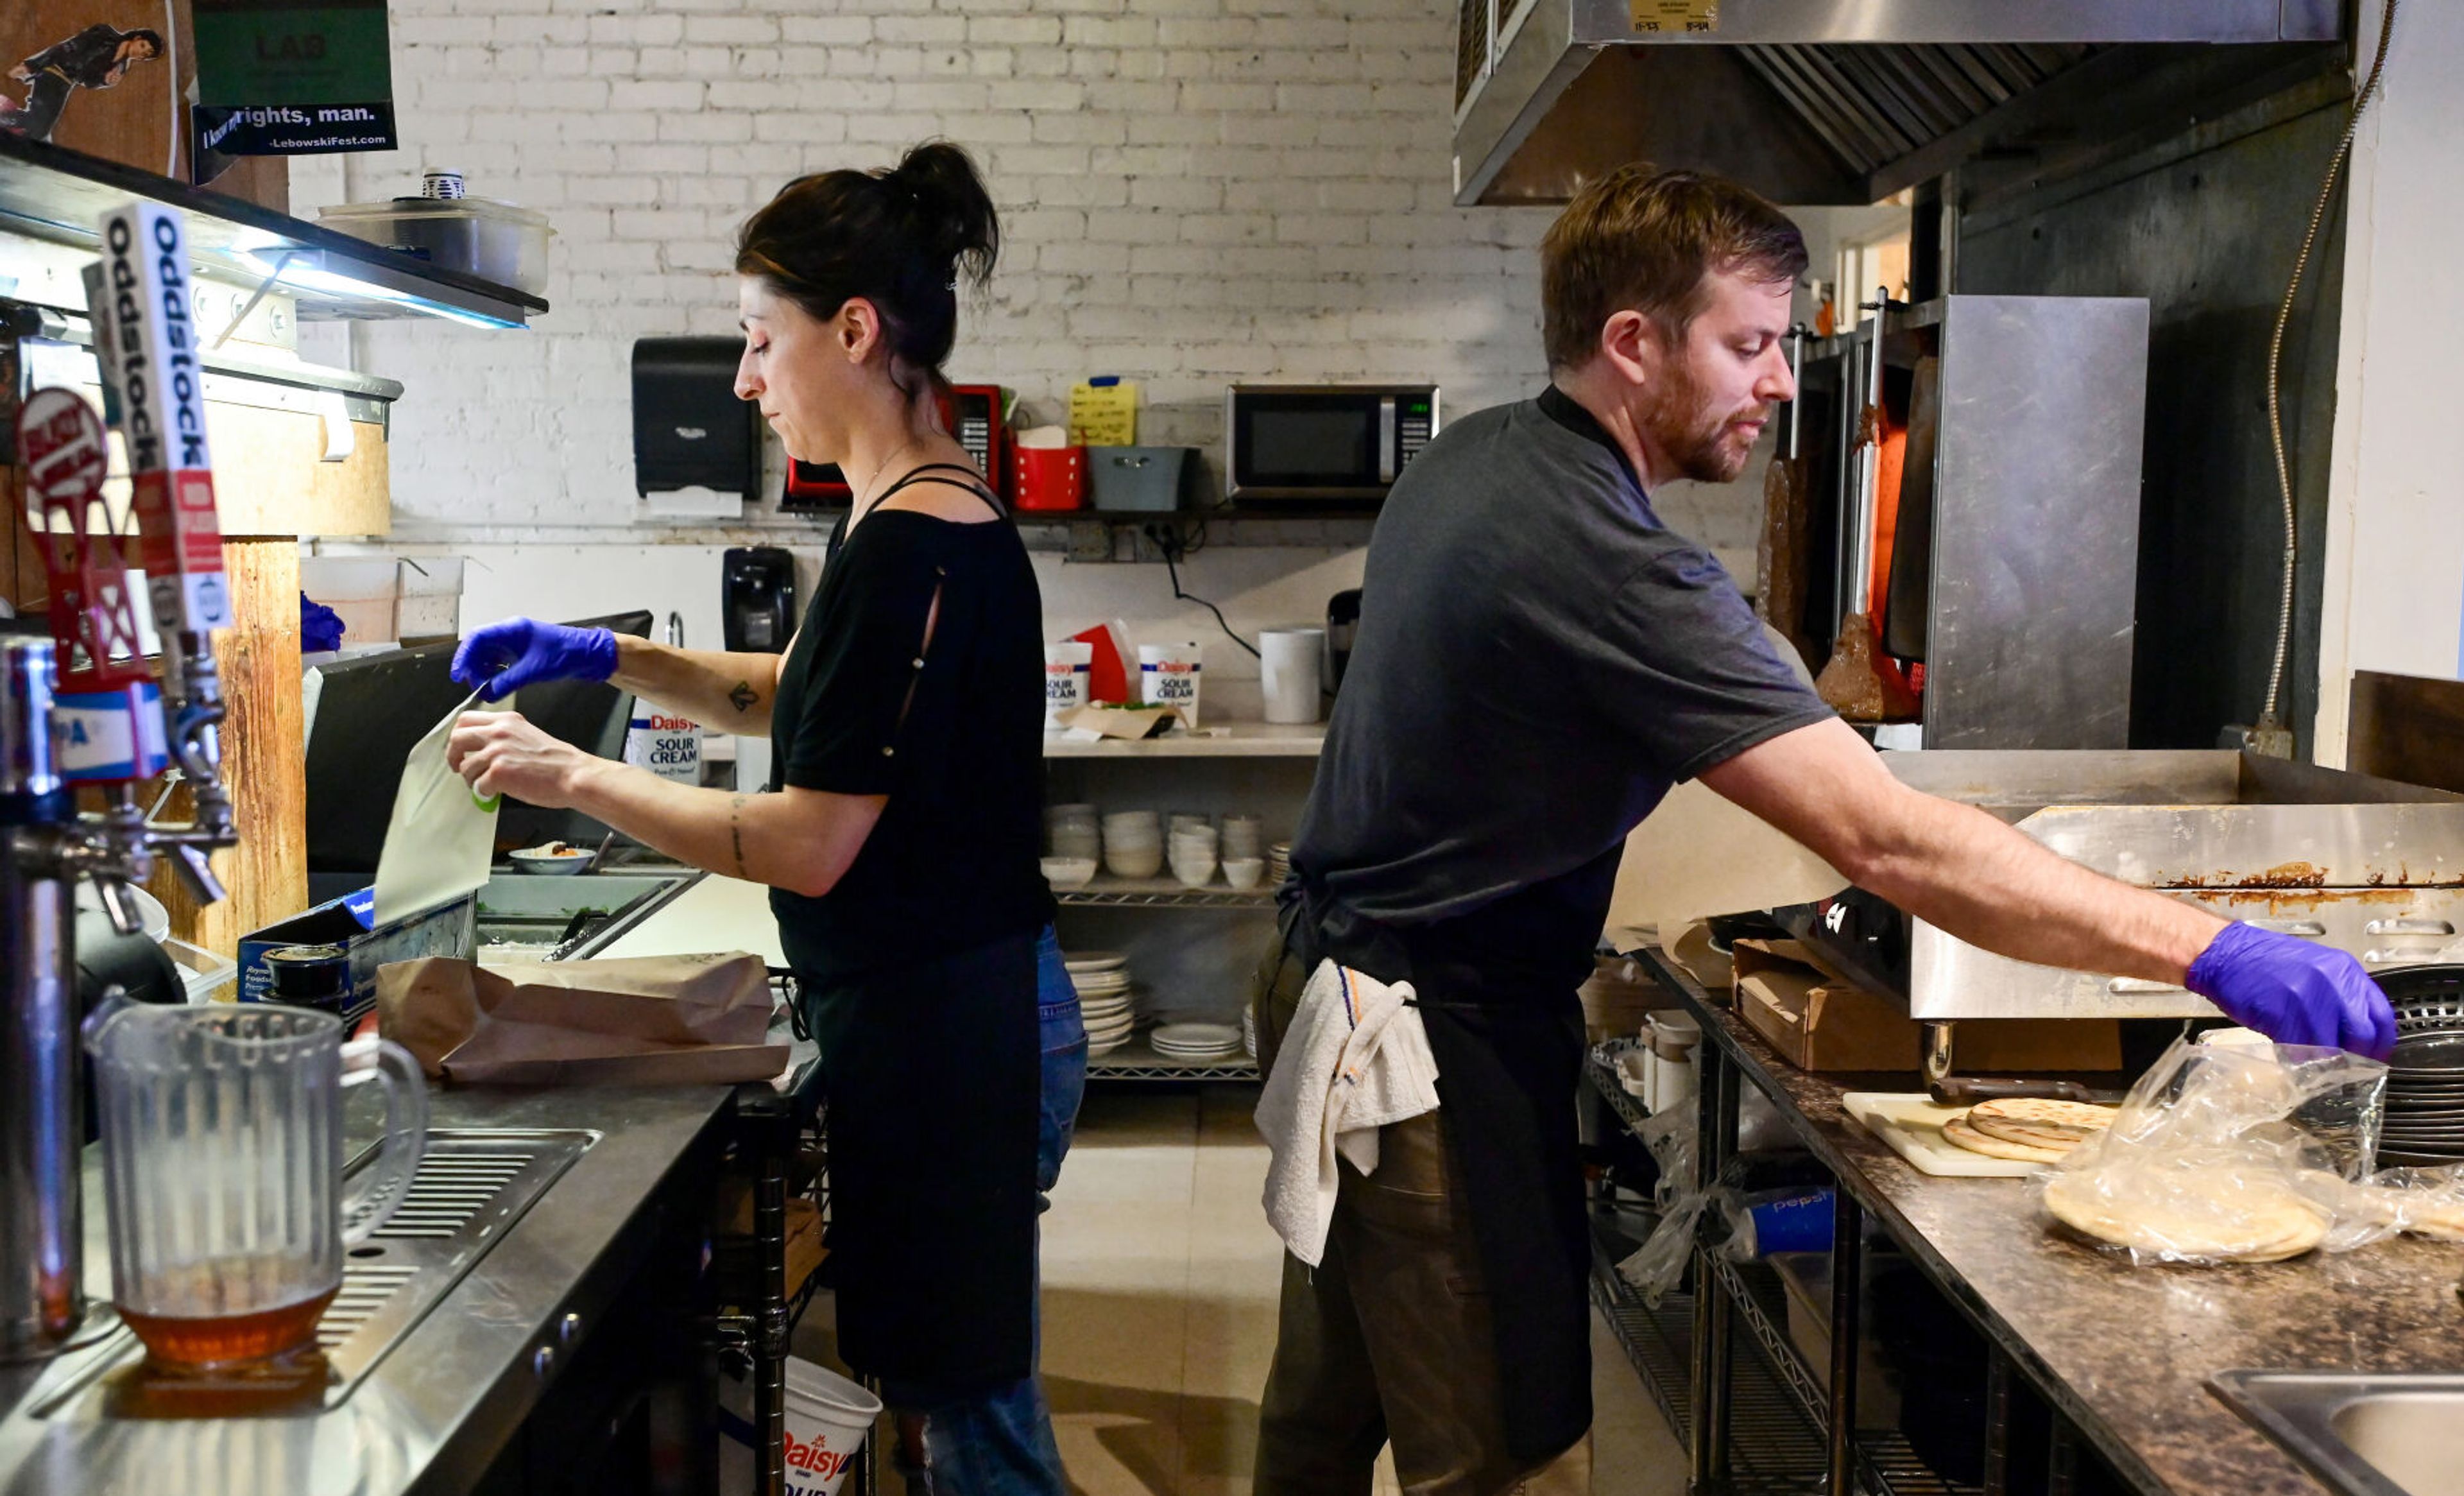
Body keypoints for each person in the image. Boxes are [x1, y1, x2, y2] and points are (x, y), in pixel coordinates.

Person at [1250, 164, 2396, 1496]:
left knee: (1322, 1415)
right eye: (1749, 343)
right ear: (1634, 342)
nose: (1784, 379)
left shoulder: (1480, 457)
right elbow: (1894, 845)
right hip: (1427, 1047)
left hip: (1332, 981)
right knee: (1513, 1454)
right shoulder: (1609, 559)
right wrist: (2213, 949)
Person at [443, 141, 1082, 1496]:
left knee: (977, 1424)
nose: (745, 382)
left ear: (853, 331)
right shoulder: (901, 517)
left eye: (757, 340)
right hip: (942, 1005)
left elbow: (808, 837)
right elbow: (800, 694)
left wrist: (571, 777)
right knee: (952, 1396)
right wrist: (603, 659)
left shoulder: (915, 541)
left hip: (955, 1028)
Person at [0, 26, 163, 142]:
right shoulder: (105, 34)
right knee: (38, 125)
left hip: (65, 84)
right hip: (53, 71)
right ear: (137, 38)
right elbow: (68, 47)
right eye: (143, 46)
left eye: (146, 54)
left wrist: (104, 80)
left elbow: (88, 82)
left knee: (40, 130)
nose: (141, 53)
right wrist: (31, 66)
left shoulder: (121, 67)